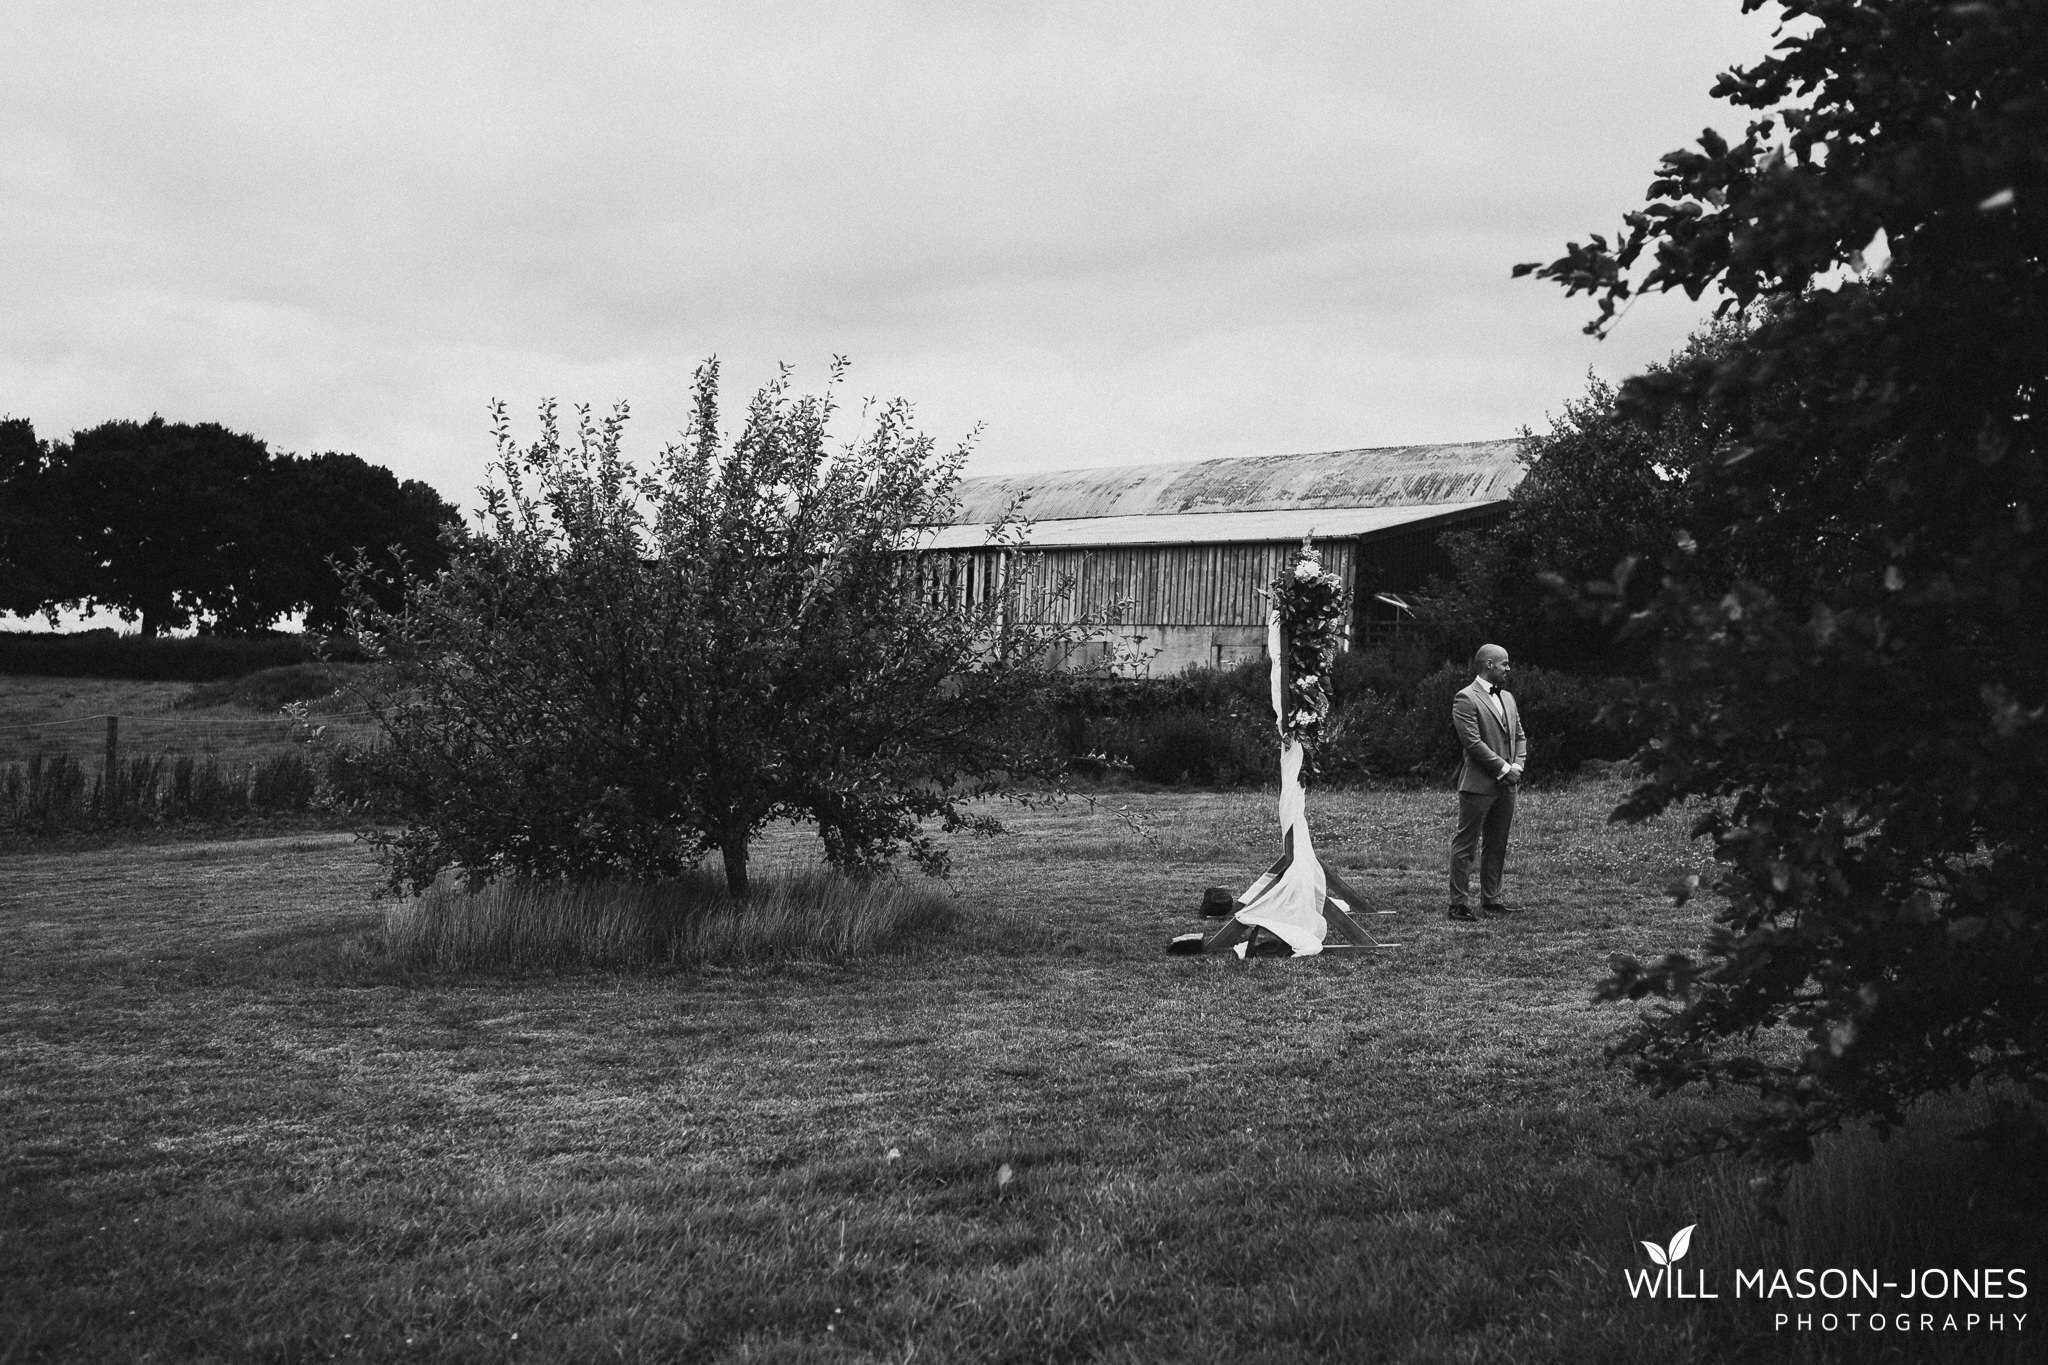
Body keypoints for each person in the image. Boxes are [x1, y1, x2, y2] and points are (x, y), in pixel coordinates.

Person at [1447, 643, 1526, 921]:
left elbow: (1519, 735)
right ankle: (1458, 903)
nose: (1508, 668)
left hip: (1507, 785)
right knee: (1466, 844)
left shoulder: (1509, 698)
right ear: (1488, 664)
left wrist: (1517, 765)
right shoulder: (1465, 698)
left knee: (1497, 842)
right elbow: (1472, 742)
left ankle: (1491, 899)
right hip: (1479, 784)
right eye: (1504, 663)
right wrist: (1504, 768)